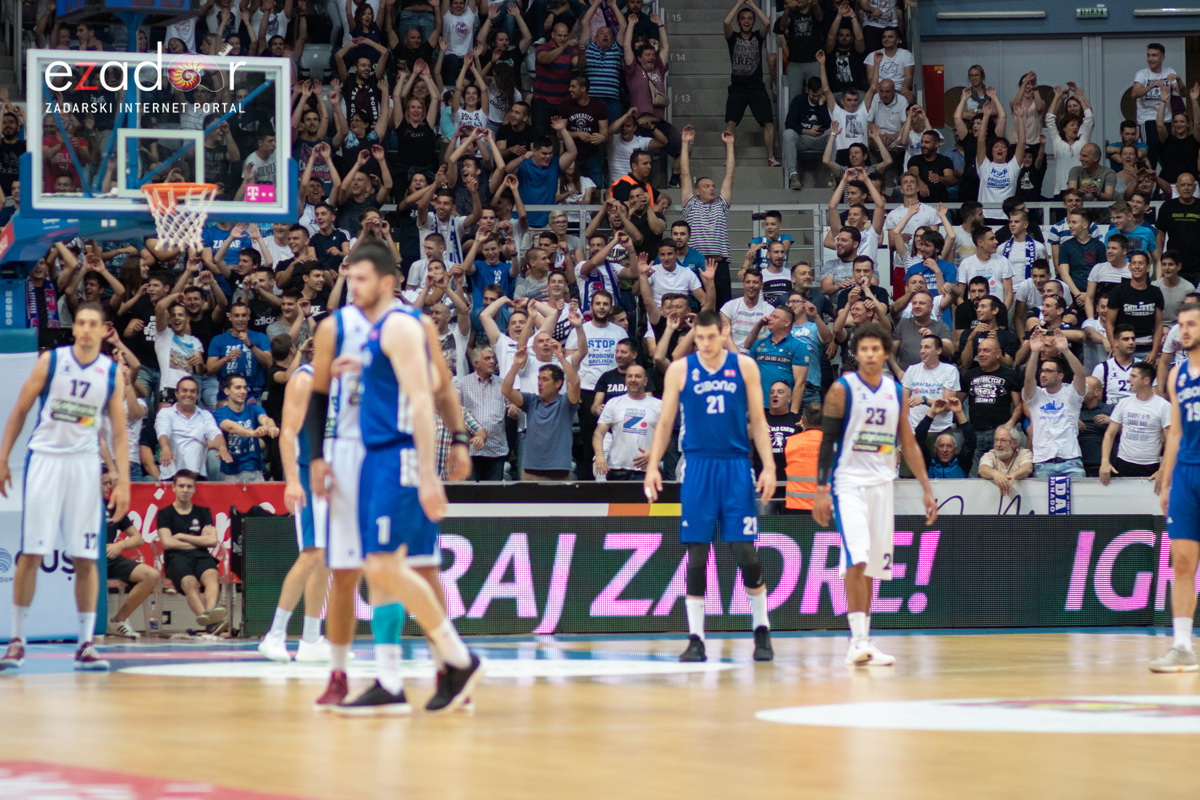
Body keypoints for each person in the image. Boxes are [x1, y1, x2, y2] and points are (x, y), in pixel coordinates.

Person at [310, 241, 483, 713]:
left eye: (361, 278)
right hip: (371, 455)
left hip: (398, 454)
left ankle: (456, 660)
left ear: (387, 282)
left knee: (391, 566)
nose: (352, 285)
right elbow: (417, 381)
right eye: (350, 276)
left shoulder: (404, 325)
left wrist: (432, 469)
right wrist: (361, 367)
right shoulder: (369, 332)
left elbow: (427, 396)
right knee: (377, 567)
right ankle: (393, 679)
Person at [0, 304, 128, 670]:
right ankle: (17, 640)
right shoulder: (51, 361)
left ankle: (85, 643)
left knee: (86, 556)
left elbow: (119, 433)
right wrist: (3, 458)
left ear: (104, 330)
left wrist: (122, 480)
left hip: (85, 466)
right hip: (46, 460)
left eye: (93, 324)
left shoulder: (111, 373)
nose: (86, 329)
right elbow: (19, 411)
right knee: (31, 552)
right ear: (74, 329)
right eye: (81, 323)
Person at [643, 311, 776, 663]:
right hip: (697, 465)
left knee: (745, 553)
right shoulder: (680, 370)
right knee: (697, 557)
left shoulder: (744, 366)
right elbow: (665, 422)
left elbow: (758, 420)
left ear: (723, 332)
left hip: (735, 465)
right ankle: (696, 638)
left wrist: (768, 466)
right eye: (699, 338)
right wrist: (654, 465)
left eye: (710, 337)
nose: (704, 344)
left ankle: (761, 628)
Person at [813, 322, 938, 666]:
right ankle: (855, 641)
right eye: (864, 349)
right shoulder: (842, 389)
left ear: (885, 353)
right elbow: (826, 442)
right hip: (848, 483)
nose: (870, 354)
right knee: (857, 557)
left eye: (876, 349)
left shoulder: (896, 391)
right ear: (856, 353)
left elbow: (908, 442)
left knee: (873, 567)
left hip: (883, 485)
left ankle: (865, 641)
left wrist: (927, 489)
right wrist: (821, 489)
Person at [259, 362, 334, 664]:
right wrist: (291, 480)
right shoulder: (305, 378)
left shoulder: (347, 379)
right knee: (312, 553)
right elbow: (288, 433)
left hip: (336, 478)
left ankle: (311, 638)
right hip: (308, 475)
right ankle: (275, 634)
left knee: (327, 557)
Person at [1154, 302, 1200, 670]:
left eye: (1192, 324)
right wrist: (1166, 481)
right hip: (1186, 473)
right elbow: (1175, 433)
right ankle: (1182, 645)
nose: (1184, 330)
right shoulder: (1177, 375)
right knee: (1182, 561)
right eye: (1181, 324)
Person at [157, 470, 226, 632]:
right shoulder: (165, 513)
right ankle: (210, 622)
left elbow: (212, 541)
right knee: (190, 583)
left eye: (189, 486)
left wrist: (182, 536)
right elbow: (167, 543)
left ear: (194, 489)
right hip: (176, 558)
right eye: (181, 486)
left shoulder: (203, 512)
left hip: (202, 556)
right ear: (173, 488)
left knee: (212, 578)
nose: (185, 490)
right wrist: (199, 540)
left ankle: (209, 616)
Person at [1022, 331, 1088, 478]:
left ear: (1060, 376)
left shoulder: (1071, 394)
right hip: (1042, 463)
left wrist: (1065, 350)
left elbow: (1081, 374)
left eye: (1048, 371)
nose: (1043, 374)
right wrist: (1034, 352)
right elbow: (1029, 378)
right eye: (1042, 371)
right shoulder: (1036, 395)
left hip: (1071, 461)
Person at [722, 0, 776, 166]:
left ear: (753, 22)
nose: (746, 21)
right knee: (730, 124)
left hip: (756, 87)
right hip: (737, 88)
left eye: (750, 19)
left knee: (768, 122)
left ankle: (771, 157)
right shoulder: (732, 38)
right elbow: (726, 22)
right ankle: (728, 158)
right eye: (743, 19)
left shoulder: (758, 37)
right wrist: (739, 3)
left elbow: (767, 23)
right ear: (738, 22)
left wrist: (752, 4)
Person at [1100, 361, 1170, 486]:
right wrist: (1105, 461)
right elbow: (1109, 434)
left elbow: (1170, 441)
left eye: (1134, 376)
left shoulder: (1164, 406)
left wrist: (1163, 469)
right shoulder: (1124, 403)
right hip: (1123, 462)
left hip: (1150, 465)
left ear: (1146, 380)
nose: (1129, 379)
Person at [155, 376, 231, 481]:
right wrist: (165, 448)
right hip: (171, 476)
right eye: (184, 390)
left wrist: (222, 448)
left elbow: (215, 433)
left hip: (197, 476)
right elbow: (163, 431)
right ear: (176, 393)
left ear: (197, 395)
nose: (188, 394)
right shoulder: (165, 413)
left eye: (192, 391)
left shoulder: (205, 415)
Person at [594, 363, 661, 482]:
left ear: (645, 381)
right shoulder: (613, 403)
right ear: (625, 380)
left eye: (638, 376)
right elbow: (599, 433)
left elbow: (666, 435)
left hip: (646, 469)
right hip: (617, 468)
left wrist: (655, 453)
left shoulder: (659, 405)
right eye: (629, 376)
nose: (633, 380)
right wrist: (600, 456)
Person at [455, 347, 509, 480]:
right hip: (471, 450)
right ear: (476, 363)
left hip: (496, 449)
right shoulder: (462, 384)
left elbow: (513, 404)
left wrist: (514, 407)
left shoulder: (502, 384)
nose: (492, 361)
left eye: (493, 358)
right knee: (471, 491)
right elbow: (455, 410)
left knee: (494, 492)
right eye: (487, 358)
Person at [913, 397, 977, 479]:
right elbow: (918, 439)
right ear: (935, 449)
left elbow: (971, 439)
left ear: (956, 450)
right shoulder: (928, 464)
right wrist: (932, 413)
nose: (945, 450)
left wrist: (959, 412)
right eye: (941, 446)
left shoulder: (962, 463)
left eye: (949, 446)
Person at [783, 402, 823, 512]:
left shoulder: (791, 441)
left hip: (795, 506)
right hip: (824, 506)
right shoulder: (833, 444)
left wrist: (803, 429)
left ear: (803, 420)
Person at [977, 425, 1033, 495]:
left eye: (1003, 440)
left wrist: (1013, 475)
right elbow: (982, 469)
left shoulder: (1024, 453)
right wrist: (995, 474)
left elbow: (1027, 468)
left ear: (1015, 443)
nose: (998, 444)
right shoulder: (990, 455)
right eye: (996, 440)